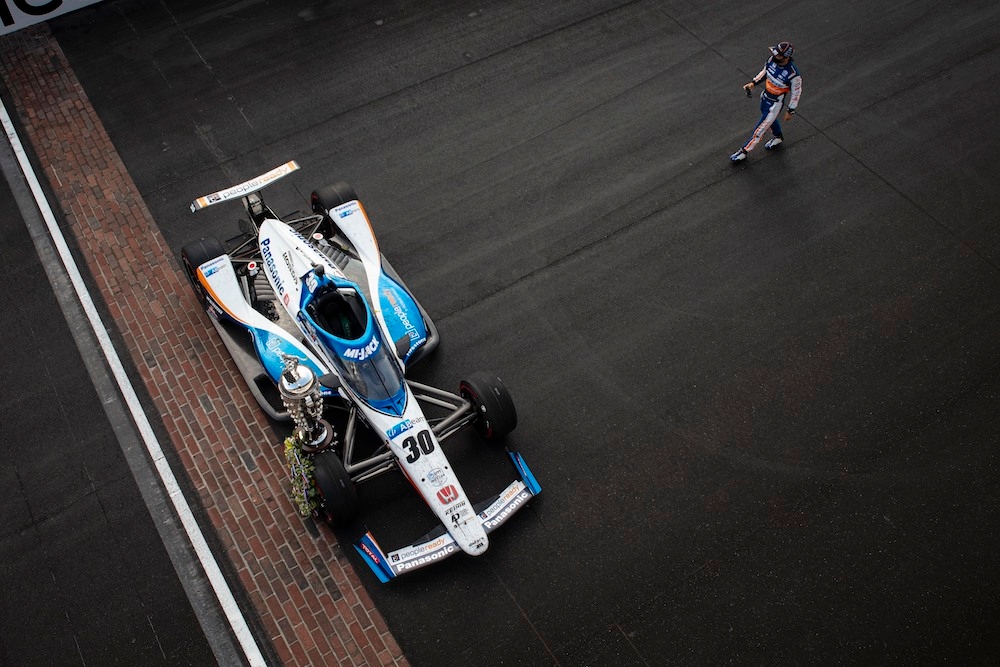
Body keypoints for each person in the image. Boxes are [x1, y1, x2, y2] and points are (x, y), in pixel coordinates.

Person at [731, 42, 802, 162]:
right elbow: (765, 72)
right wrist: (754, 82)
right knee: (767, 119)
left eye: (778, 55)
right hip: (765, 97)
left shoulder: (793, 75)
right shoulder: (771, 60)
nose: (775, 56)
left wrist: (791, 110)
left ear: (786, 57)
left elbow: (796, 93)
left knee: (760, 129)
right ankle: (778, 136)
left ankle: (744, 151)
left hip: (775, 105)